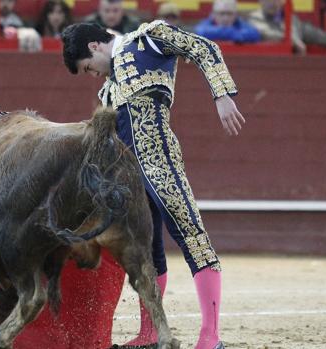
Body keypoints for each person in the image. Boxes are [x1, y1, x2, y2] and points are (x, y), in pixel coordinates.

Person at [62, 21, 245, 349]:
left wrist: (222, 93)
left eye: (89, 68)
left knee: (192, 238)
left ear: (94, 46)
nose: (93, 75)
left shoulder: (149, 39)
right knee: (145, 252)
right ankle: (150, 332)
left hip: (161, 163)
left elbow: (203, 48)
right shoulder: (108, 88)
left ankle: (210, 337)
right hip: (128, 176)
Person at [249, 0, 326, 55]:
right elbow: (266, 33)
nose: (272, 3)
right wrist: (295, 42)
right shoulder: (254, 18)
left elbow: (309, 31)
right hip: (268, 66)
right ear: (260, 1)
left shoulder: (290, 19)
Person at [195, 0, 260, 43]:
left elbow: (254, 34)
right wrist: (231, 33)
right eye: (221, 13)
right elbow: (200, 32)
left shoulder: (240, 23)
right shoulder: (205, 25)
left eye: (229, 13)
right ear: (214, 14)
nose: (225, 18)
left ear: (236, 14)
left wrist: (221, 33)